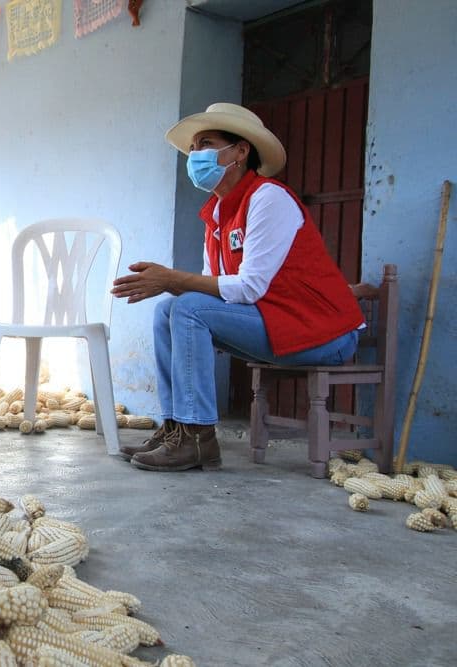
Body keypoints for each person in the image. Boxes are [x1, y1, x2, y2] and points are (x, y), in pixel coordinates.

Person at [111, 103, 363, 472]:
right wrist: (172, 285)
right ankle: (177, 427)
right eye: (194, 148)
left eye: (207, 144)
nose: (196, 155)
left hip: (325, 335)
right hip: (278, 324)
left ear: (241, 151)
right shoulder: (215, 214)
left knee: (184, 306)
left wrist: (171, 279)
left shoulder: (268, 198)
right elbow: (211, 285)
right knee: (168, 309)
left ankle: (198, 437)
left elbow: (249, 287)